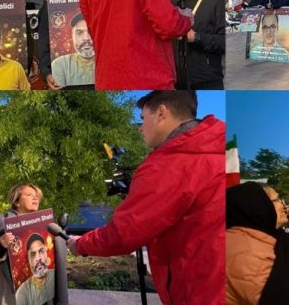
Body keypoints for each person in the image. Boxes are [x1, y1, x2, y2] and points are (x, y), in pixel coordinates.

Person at [66, 91, 225, 304]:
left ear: (161, 112)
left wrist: (80, 245)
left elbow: (124, 233)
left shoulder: (167, 165)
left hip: (199, 289)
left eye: (142, 118)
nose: (141, 127)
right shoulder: (222, 148)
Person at [226, 181, 289, 304]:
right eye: (278, 199)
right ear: (260, 206)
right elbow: (286, 293)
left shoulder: (265, 237)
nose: (285, 206)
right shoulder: (245, 253)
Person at [0, 183, 67, 304]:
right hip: (9, 294)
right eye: (29, 195)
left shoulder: (43, 225)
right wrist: (0, 246)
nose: (35, 198)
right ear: (16, 201)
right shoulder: (3, 223)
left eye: (37, 196)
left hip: (37, 293)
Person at [172, 0, 226, 90]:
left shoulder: (214, 1)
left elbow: (224, 43)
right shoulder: (163, 0)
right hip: (171, 81)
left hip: (206, 80)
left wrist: (197, 37)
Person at [50, 13, 95, 87]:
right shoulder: (60, 65)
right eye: (79, 33)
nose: (86, 38)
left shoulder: (112, 64)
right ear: (72, 36)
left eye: (91, 31)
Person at [15, 233, 56, 304]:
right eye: (33, 254)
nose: (38, 258)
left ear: (46, 253)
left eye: (41, 251)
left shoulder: (57, 276)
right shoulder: (22, 293)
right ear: (29, 260)